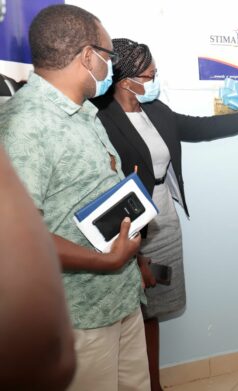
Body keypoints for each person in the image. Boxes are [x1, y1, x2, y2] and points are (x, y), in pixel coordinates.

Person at [92, 38, 238, 391]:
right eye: (150, 75)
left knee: (151, 309)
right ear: (126, 81)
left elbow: (202, 127)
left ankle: (153, 384)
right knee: (130, 312)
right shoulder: (100, 119)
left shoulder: (155, 110)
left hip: (163, 221)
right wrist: (134, 254)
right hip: (127, 228)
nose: (156, 80)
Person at [0, 5, 149, 390]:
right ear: (88, 56)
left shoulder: (84, 112)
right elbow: (17, 240)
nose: (110, 67)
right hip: (80, 318)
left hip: (120, 299)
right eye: (108, 56)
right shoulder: (24, 124)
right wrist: (103, 261)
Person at [0, 147, 76, 390]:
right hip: (81, 310)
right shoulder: (28, 127)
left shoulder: (92, 119)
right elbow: (39, 361)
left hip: (118, 296)